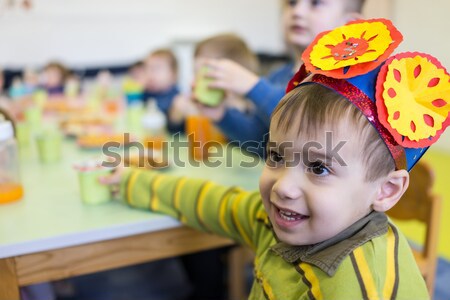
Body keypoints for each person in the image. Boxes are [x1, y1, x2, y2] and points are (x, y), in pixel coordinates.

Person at [100, 19, 448, 299]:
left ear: (385, 191)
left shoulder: (358, 288)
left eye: (318, 167)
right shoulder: (279, 220)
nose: (284, 186)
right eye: (277, 156)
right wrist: (134, 181)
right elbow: (214, 202)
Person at [197, 0, 366, 156]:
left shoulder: (344, 82)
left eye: (316, 3)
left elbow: (307, 132)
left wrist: (253, 86)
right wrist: (221, 115)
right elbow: (261, 141)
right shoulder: (279, 75)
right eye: (292, 3)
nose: (297, 11)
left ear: (350, 24)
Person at [142, 48, 183, 133]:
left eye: (157, 69)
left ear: (173, 74)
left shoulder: (177, 97)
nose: (150, 74)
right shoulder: (146, 93)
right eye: (147, 69)